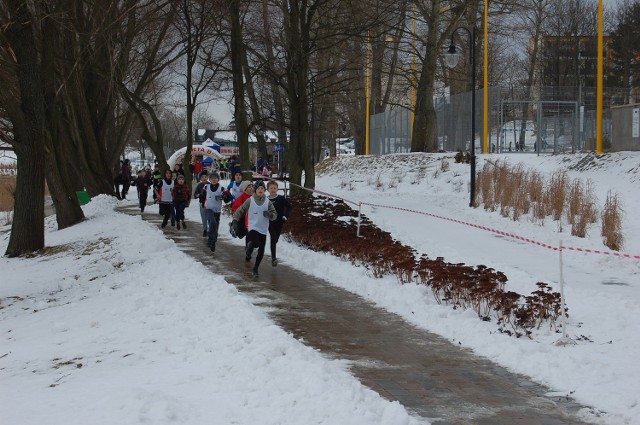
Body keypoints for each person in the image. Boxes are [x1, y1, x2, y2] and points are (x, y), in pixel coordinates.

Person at [232, 180, 277, 276]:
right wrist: (235, 221)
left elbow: (275, 214)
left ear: (264, 190)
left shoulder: (268, 202)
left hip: (263, 228)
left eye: (262, 188)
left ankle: (255, 268)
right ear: (255, 190)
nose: (260, 190)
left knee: (261, 250)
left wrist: (270, 214)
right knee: (255, 243)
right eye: (258, 188)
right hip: (252, 226)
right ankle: (250, 247)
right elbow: (240, 210)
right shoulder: (250, 200)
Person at [199, 172, 231, 251]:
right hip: (208, 209)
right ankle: (210, 239)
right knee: (212, 223)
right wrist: (202, 203)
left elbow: (229, 198)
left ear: (218, 179)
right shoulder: (206, 186)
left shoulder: (222, 188)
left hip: (217, 210)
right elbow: (202, 196)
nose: (214, 180)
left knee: (215, 227)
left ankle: (213, 242)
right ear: (209, 179)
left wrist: (224, 197)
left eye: (215, 178)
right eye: (212, 178)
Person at [267, 180, 292, 266]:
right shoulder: (266, 200)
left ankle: (273, 255)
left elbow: (289, 207)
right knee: (273, 238)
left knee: (276, 239)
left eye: (275, 188)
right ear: (268, 189)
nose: (273, 189)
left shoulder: (281, 198)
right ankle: (274, 258)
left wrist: (285, 216)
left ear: (277, 189)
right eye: (271, 188)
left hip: (280, 222)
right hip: (270, 222)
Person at [193, 172, 210, 237]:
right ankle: (205, 230)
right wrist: (198, 195)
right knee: (204, 217)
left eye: (205, 177)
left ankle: (210, 230)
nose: (204, 178)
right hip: (202, 203)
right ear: (200, 178)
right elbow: (195, 195)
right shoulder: (199, 185)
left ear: (207, 177)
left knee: (210, 217)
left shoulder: (210, 184)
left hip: (209, 203)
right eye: (202, 177)